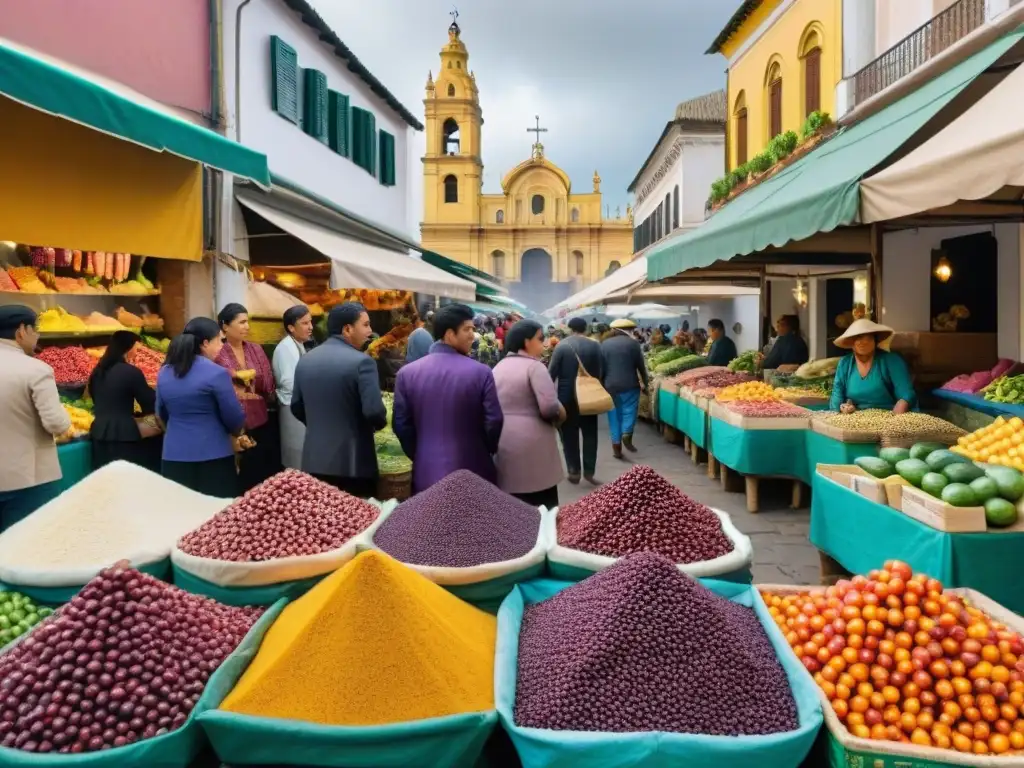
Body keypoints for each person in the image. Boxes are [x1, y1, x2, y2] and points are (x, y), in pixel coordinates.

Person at [393, 303, 504, 493]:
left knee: (432, 521)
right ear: (450, 334)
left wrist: (420, 452)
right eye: (467, 329)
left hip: (426, 470)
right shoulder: (481, 372)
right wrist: (483, 448)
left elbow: (401, 425)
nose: (472, 335)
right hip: (474, 468)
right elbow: (494, 420)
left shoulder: (406, 374)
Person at [291, 303, 387, 497]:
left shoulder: (306, 359)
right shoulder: (362, 362)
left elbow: (296, 406)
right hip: (353, 462)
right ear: (347, 329)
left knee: (324, 523)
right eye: (366, 324)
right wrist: (377, 425)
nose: (370, 331)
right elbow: (374, 411)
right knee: (357, 522)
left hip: (314, 460)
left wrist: (319, 425)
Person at [157, 317, 245, 497]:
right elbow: (233, 417)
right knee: (215, 516)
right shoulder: (216, 373)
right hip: (213, 455)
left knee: (181, 515)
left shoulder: (164, 372)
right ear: (205, 343)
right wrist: (237, 434)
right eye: (219, 340)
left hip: (174, 455)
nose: (222, 346)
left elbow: (160, 413)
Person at [0, 306, 71, 529]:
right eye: (36, 329)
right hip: (26, 479)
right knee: (28, 545)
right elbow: (56, 423)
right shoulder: (36, 369)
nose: (38, 335)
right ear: (22, 330)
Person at [492, 320, 565, 508]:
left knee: (514, 509)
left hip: (504, 441)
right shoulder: (535, 367)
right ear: (526, 342)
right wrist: (561, 413)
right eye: (540, 339)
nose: (544, 343)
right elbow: (549, 408)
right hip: (534, 447)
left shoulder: (498, 367)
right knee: (542, 508)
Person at [214, 303, 278, 490]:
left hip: (259, 418)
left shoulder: (255, 349)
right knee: (237, 476)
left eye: (247, 322)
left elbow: (267, 382)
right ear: (225, 326)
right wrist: (235, 376)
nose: (247, 327)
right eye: (241, 322)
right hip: (231, 424)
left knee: (260, 473)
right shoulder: (218, 352)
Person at [88, 330, 158, 471]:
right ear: (128, 347)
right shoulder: (130, 372)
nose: (136, 352)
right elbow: (149, 403)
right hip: (125, 435)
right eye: (136, 348)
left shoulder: (97, 372)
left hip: (98, 433)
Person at [549, 316, 603, 484]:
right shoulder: (595, 345)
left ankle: (574, 471)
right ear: (585, 328)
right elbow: (602, 370)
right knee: (590, 434)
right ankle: (589, 471)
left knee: (568, 434)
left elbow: (551, 373)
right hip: (589, 397)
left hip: (567, 398)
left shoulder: (562, 346)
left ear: (570, 328)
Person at [829, 319, 915, 414]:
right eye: (858, 338)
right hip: (854, 417)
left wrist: (901, 405)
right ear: (851, 343)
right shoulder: (845, 363)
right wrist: (841, 409)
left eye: (868, 338)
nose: (863, 342)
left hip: (888, 415)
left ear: (875, 340)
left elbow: (905, 392)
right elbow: (837, 395)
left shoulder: (892, 360)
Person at [272, 305, 313, 469]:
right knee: (296, 457)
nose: (310, 327)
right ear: (291, 327)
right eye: (304, 323)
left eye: (310, 322)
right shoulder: (285, 348)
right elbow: (288, 382)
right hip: (291, 406)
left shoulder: (298, 344)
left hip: (299, 405)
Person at [602, 318, 649, 459]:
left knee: (613, 415)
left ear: (613, 331)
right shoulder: (634, 344)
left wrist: (600, 383)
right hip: (630, 384)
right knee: (629, 410)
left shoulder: (604, 344)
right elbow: (641, 366)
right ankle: (627, 432)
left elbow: (601, 367)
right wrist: (646, 384)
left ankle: (616, 446)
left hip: (610, 386)